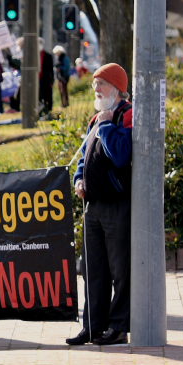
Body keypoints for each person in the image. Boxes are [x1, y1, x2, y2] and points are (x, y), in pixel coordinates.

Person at [67, 63, 133, 346]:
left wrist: (107, 124)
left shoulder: (125, 115)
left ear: (117, 88)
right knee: (93, 269)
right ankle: (92, 326)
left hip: (116, 204)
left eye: (101, 84)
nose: (96, 89)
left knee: (120, 270)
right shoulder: (96, 119)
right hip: (92, 205)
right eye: (94, 84)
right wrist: (79, 179)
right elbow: (84, 157)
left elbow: (120, 155)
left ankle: (118, 327)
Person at [38, 38, 55, 117]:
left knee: (47, 96)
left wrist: (51, 81)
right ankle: (39, 112)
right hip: (37, 80)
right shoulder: (33, 56)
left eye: (40, 43)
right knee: (38, 97)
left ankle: (47, 111)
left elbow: (51, 70)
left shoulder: (48, 56)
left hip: (46, 80)